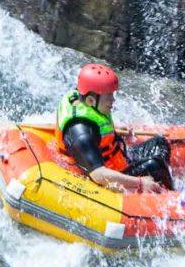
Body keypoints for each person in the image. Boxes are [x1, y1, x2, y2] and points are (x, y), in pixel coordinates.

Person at [56, 63, 173, 193]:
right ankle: (173, 195)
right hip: (102, 176)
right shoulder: (81, 133)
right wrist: (140, 182)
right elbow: (98, 175)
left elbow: (97, 131)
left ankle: (161, 185)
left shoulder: (86, 100)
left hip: (115, 160)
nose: (113, 100)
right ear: (90, 100)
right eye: (108, 96)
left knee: (159, 142)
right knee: (154, 166)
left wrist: (113, 131)